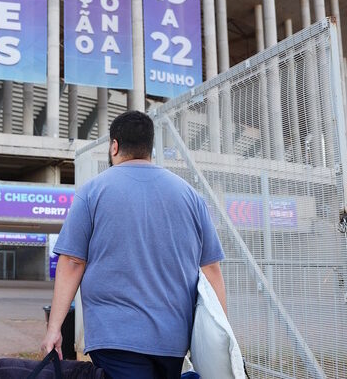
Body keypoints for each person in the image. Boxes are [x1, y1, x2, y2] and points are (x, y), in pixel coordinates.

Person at [41, 111, 227, 379]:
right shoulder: (190, 196)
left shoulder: (92, 192)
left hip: (114, 337)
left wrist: (54, 328)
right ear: (150, 148)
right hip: (173, 340)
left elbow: (72, 262)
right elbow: (211, 269)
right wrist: (220, 335)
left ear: (114, 146)